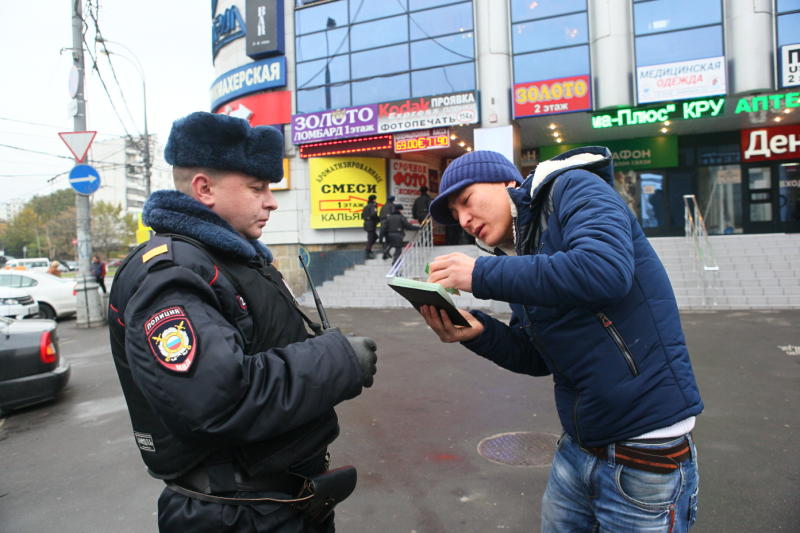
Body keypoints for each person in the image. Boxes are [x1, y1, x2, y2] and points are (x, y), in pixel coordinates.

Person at [107, 111, 378, 532]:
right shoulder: (172, 273)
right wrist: (338, 361)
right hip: (234, 514)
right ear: (204, 188)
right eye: (257, 188)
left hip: (273, 503)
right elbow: (216, 400)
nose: (271, 200)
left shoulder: (227, 260)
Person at [420, 149, 703, 533]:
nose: (464, 220)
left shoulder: (574, 187)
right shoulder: (521, 251)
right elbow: (539, 358)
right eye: (455, 216)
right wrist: (480, 332)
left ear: (507, 183)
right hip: (578, 448)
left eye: (466, 201)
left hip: (645, 450)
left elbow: (605, 270)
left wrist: (484, 273)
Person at [361, 194, 380, 259]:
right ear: (373, 199)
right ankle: (367, 253)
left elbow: (362, 216)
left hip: (366, 223)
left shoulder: (365, 207)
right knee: (371, 238)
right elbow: (374, 214)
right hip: (371, 224)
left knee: (374, 237)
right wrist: (378, 219)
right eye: (375, 199)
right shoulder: (373, 206)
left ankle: (369, 250)